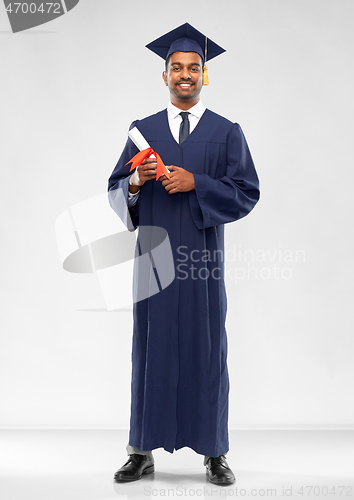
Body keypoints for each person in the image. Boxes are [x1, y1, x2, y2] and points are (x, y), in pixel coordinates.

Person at [108, 22, 260, 485]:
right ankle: (141, 451)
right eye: (177, 67)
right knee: (150, 350)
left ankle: (214, 452)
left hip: (202, 264)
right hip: (152, 261)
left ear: (204, 74)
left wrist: (199, 184)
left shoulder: (226, 132)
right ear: (165, 75)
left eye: (194, 67)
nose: (185, 74)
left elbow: (247, 192)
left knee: (207, 350)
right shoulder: (142, 131)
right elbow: (115, 191)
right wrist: (137, 180)